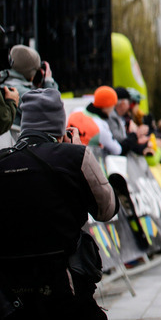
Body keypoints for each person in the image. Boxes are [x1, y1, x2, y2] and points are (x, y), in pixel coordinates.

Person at [0, 88, 118, 318]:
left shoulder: (2, 160)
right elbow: (107, 210)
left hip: (11, 288)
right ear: (58, 123)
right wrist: (76, 149)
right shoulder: (75, 156)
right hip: (65, 282)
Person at [1, 44, 58, 146]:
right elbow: (51, 113)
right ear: (32, 74)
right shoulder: (17, 92)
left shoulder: (4, 85)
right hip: (19, 151)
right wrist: (49, 82)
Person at [66, 86, 123, 156]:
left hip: (67, 154)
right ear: (106, 106)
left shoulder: (75, 111)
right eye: (112, 105)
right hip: (83, 160)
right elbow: (117, 150)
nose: (113, 109)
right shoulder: (101, 126)